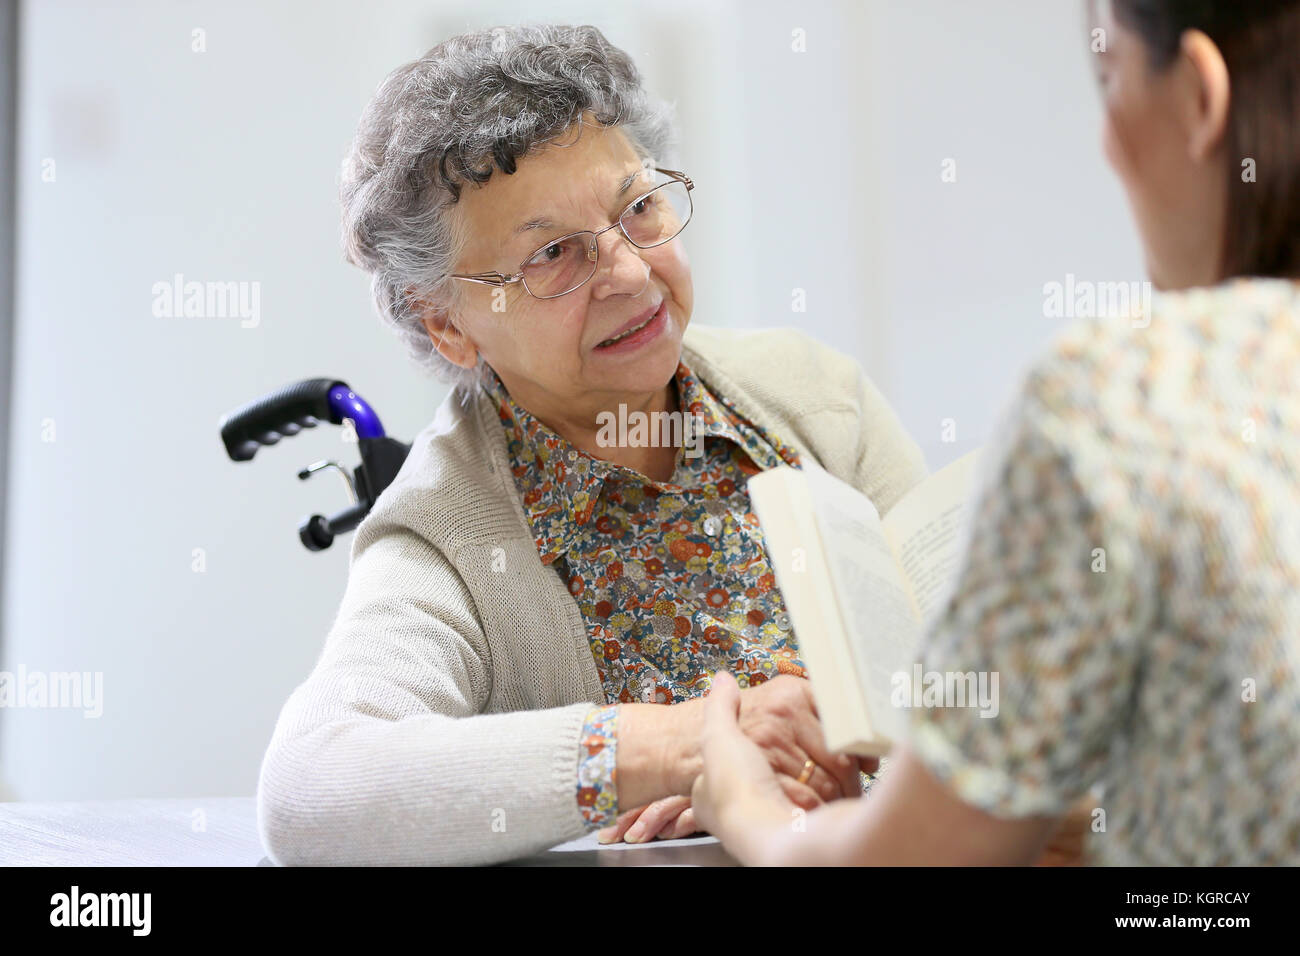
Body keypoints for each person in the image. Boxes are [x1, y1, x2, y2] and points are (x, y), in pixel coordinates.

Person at [255, 23, 928, 865]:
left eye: (637, 207)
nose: (632, 273)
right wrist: (671, 750)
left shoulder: (818, 399)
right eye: (552, 256)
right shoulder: (445, 536)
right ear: (448, 326)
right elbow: (314, 786)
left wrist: (831, 730)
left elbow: (986, 666)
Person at [692, 0, 1300, 866]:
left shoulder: (1123, 398)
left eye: (1108, 79)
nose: (1104, 141)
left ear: (1202, 97)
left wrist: (747, 805)